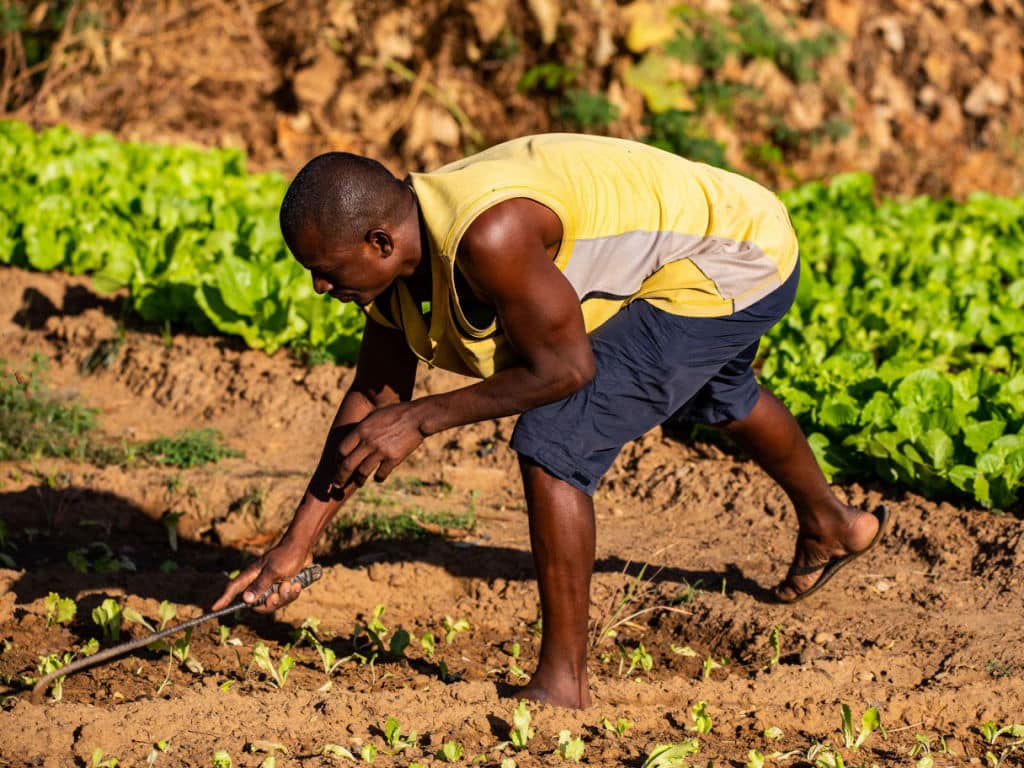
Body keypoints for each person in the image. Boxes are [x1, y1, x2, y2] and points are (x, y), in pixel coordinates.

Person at [212, 133, 888, 709]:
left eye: (326, 271)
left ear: (381, 240)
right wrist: (293, 547)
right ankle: (834, 524)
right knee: (719, 393)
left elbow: (565, 371)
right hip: (721, 232)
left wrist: (423, 420)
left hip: (734, 254)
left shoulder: (490, 237)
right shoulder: (395, 267)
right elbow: (375, 396)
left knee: (557, 441)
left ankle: (562, 682)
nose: (319, 288)